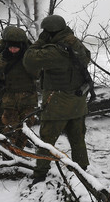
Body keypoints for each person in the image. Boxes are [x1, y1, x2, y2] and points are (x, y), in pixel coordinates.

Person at [23, 14, 92, 183]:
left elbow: (29, 60)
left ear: (50, 32)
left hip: (57, 104)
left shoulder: (54, 51)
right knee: (77, 139)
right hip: (78, 103)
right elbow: (87, 57)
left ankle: (40, 174)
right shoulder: (75, 44)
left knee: (46, 141)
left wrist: (40, 41)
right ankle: (81, 172)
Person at [0, 25, 37, 149]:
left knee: (24, 130)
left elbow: (38, 74)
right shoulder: (4, 56)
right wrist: (3, 60)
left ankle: (18, 153)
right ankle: (10, 156)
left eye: (16, 47)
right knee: (10, 131)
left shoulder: (30, 55)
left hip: (28, 98)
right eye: (11, 47)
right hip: (9, 99)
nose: (13, 50)